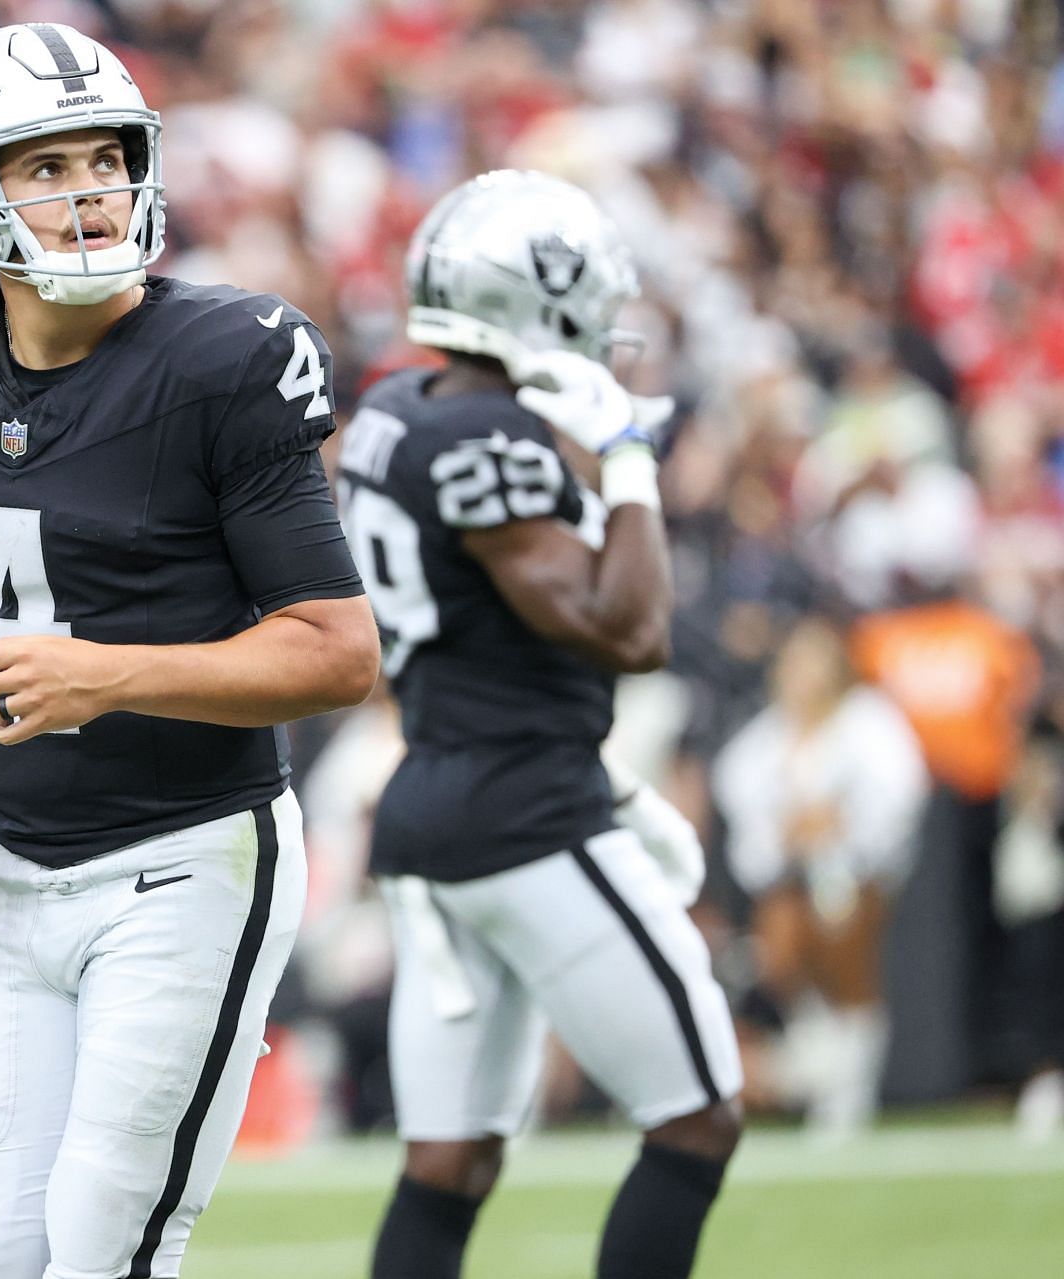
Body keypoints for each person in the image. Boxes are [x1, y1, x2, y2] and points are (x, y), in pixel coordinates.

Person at [0, 23, 380, 1279]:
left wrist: (103, 671)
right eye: (45, 167)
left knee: (107, 1248)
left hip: (190, 862)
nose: (90, 190)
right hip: (23, 880)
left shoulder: (224, 359)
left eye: (107, 156)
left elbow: (336, 651)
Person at [335, 170, 743, 1279]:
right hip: (524, 814)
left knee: (449, 1161)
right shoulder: (487, 438)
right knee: (698, 1117)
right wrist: (626, 460)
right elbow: (628, 626)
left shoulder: (393, 412)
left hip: (437, 802)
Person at [712, 615, 928, 1138]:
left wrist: (841, 829)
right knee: (780, 952)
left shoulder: (870, 723)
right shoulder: (762, 740)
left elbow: (899, 800)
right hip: (786, 884)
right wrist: (788, 834)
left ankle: (847, 1085)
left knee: (842, 940)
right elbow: (747, 832)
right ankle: (819, 1069)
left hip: (856, 876)